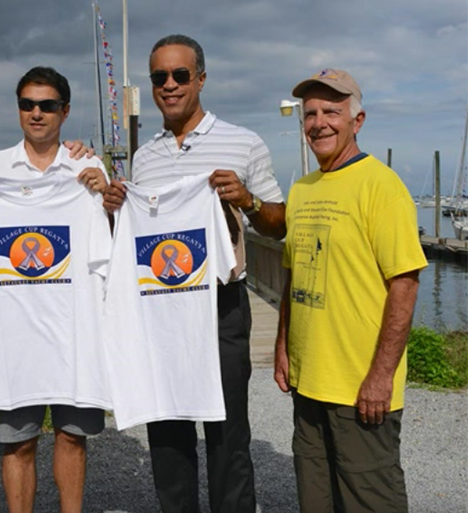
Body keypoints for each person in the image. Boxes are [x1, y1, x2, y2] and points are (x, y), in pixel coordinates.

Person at [103, 35, 286, 513]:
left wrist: (246, 199)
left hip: (221, 304)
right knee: (167, 428)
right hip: (162, 307)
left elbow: (279, 222)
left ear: (200, 79)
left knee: (227, 433)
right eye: (159, 77)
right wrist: (116, 210)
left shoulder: (244, 142)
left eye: (180, 75)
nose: (169, 85)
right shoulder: (144, 159)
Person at [0, 66, 107, 513]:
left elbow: (111, 244)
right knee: (16, 444)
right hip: (12, 339)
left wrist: (103, 198)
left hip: (74, 332)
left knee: (72, 437)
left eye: (47, 105)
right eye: (27, 104)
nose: (36, 113)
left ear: (64, 111)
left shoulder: (87, 166)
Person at [274, 69, 427, 512]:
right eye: (310, 114)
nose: (319, 122)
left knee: (370, 500)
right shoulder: (301, 190)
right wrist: (283, 345)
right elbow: (293, 275)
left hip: (360, 388)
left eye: (332, 112)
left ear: (357, 121)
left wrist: (381, 376)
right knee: (315, 500)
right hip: (309, 383)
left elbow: (405, 285)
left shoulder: (382, 187)